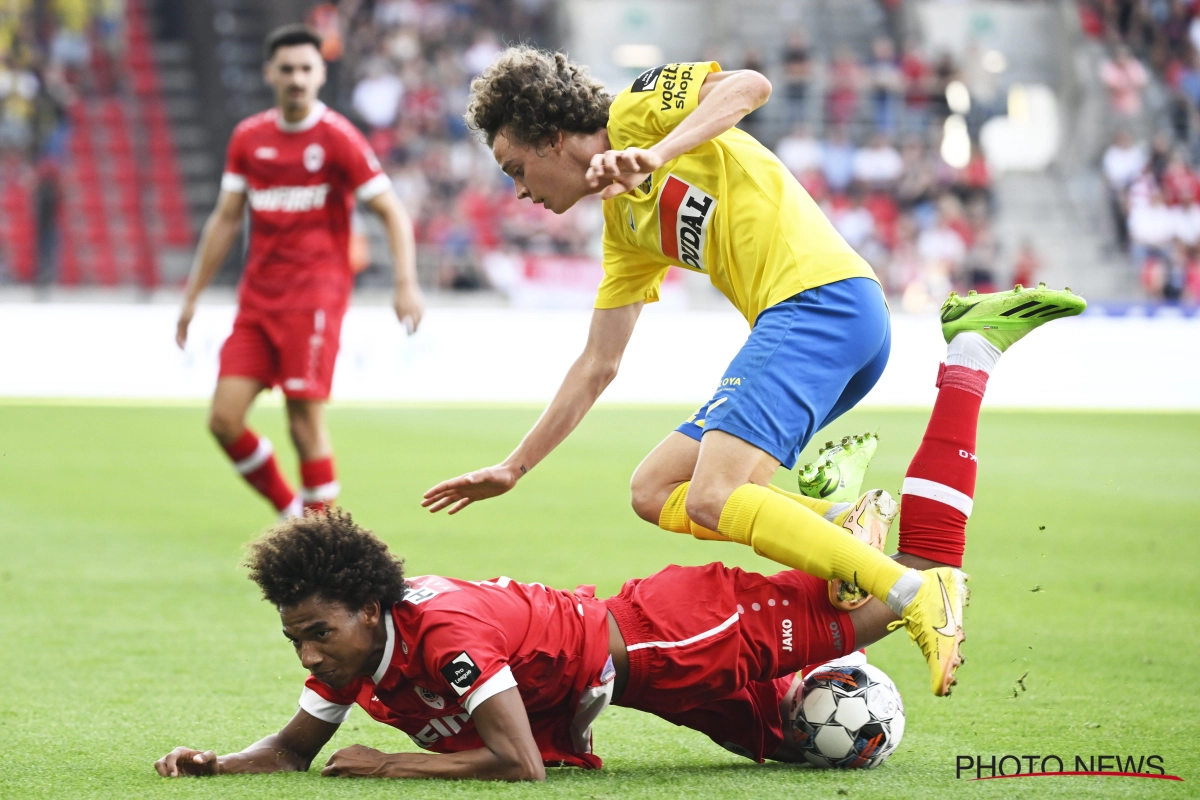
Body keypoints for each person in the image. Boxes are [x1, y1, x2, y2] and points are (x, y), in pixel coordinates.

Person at [152, 293, 1085, 780]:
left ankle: (967, 356)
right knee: (795, 744)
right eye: (299, 639)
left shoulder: (444, 636)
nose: (310, 654)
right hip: (647, 681)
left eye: (317, 632)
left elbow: (519, 767)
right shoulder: (351, 656)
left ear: (368, 606)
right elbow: (291, 751)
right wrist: (217, 761)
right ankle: (824, 522)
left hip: (674, 638)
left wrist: (391, 760)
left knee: (917, 581)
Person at [175, 25, 424, 518]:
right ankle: (295, 516)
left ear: (320, 74)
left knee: (303, 425)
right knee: (224, 420)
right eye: (286, 69)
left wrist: (405, 283)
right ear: (270, 73)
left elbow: (392, 210)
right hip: (257, 301)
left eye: (305, 69)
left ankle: (324, 547)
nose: (296, 78)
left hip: (313, 298)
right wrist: (191, 297)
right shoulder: (249, 138)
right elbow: (225, 218)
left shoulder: (337, 138)